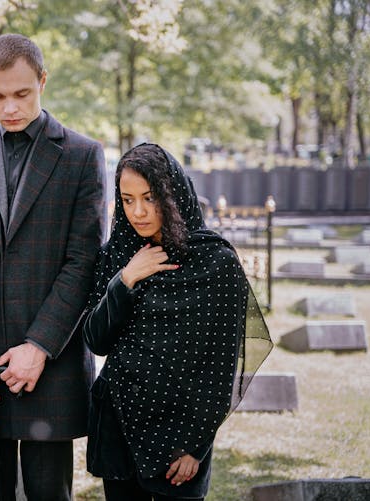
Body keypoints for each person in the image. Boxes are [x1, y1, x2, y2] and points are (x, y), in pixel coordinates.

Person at [0, 33, 107, 500]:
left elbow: (84, 261)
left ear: (42, 81)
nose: (9, 107)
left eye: (22, 94)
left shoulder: (82, 155)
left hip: (49, 366)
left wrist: (39, 345)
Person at [82, 143, 273, 500]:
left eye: (149, 198)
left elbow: (221, 366)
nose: (137, 211)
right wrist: (125, 280)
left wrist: (196, 446)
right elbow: (96, 340)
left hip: (182, 437)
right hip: (120, 422)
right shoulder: (118, 255)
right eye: (127, 199)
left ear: (173, 195)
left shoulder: (216, 263)